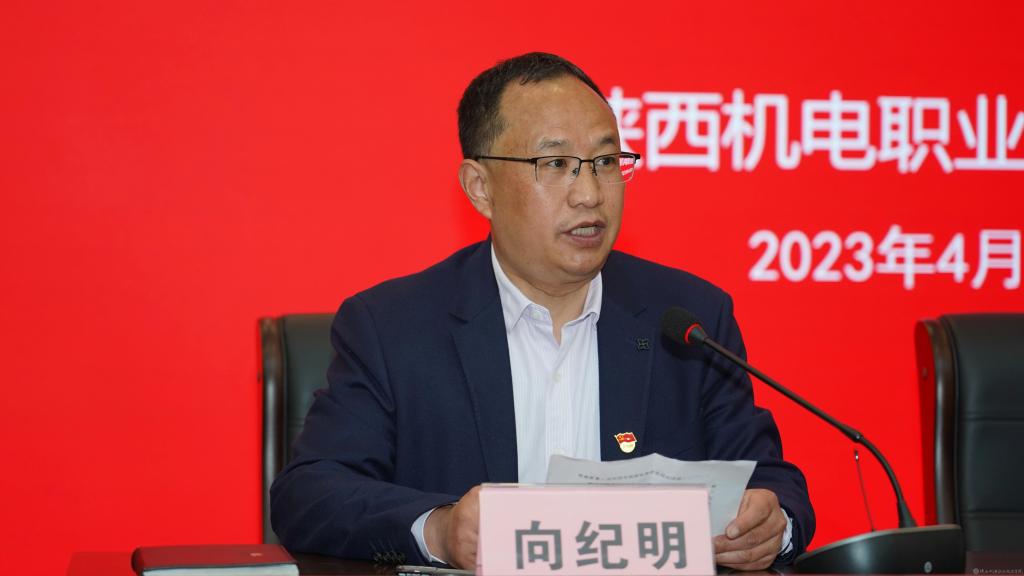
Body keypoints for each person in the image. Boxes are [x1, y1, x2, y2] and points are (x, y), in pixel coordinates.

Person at [270, 52, 814, 570]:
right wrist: (440, 529)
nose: (589, 194)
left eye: (605, 162)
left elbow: (772, 483)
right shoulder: (392, 328)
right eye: (556, 164)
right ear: (480, 188)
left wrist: (773, 525)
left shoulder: (689, 320)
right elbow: (310, 493)